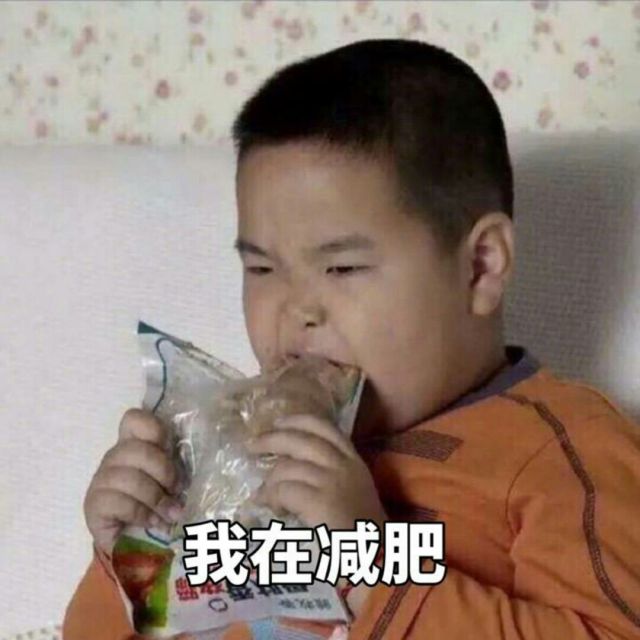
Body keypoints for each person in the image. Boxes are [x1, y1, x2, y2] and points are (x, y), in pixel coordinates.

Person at [63, 39, 640, 640]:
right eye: (262, 268)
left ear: (480, 267)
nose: (296, 309)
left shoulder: (564, 451)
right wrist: (126, 559)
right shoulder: (228, 452)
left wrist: (369, 565)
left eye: (341, 268)